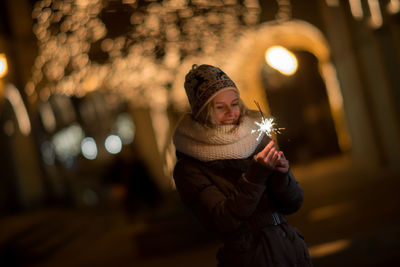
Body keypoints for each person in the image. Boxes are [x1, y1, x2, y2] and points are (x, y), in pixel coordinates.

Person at [172, 64, 312, 267]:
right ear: (203, 113)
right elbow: (223, 220)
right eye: (220, 107)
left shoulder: (256, 138)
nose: (231, 112)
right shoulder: (190, 167)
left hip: (291, 251)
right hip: (249, 258)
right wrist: (255, 177)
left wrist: (282, 175)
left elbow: (294, 203)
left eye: (235, 103)